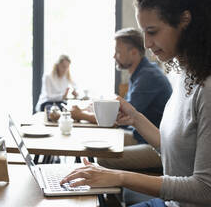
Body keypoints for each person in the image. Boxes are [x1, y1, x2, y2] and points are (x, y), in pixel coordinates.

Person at [61, 0, 211, 207]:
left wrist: (118, 177)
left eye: (153, 31)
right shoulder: (188, 77)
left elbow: (204, 190)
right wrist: (135, 117)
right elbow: (171, 150)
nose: (147, 43)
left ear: (185, 21)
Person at [71, 27, 172, 170]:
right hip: (140, 136)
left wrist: (81, 115)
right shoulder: (141, 73)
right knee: (94, 140)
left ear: (134, 53)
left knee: (104, 156)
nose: (114, 56)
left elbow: (119, 118)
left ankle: (106, 190)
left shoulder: (148, 77)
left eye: (118, 52)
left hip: (155, 145)